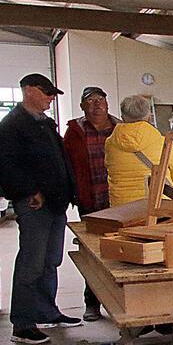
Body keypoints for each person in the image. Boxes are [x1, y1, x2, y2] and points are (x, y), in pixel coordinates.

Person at [0, 72, 78, 345]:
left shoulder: (45, 124)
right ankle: (23, 323)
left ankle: (46, 311)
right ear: (29, 91)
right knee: (32, 262)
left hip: (55, 203)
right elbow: (1, 164)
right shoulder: (13, 125)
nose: (51, 98)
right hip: (35, 204)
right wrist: (30, 191)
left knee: (51, 261)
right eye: (47, 92)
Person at [62, 86, 116, 321]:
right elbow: (66, 165)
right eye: (90, 101)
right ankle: (91, 302)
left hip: (119, 203)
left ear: (107, 104)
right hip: (89, 201)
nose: (96, 104)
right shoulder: (75, 132)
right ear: (83, 106)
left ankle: (120, 302)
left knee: (121, 254)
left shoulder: (121, 128)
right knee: (92, 254)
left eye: (100, 99)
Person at [104, 94, 173, 206]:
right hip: (157, 204)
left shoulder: (110, 143)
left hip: (122, 208)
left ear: (122, 117)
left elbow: (109, 168)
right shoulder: (162, 142)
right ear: (149, 117)